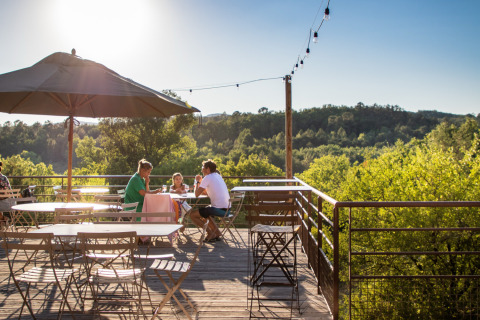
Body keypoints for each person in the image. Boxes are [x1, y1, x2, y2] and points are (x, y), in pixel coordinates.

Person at [190, 159, 230, 242]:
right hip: (227, 209)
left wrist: (197, 182)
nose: (202, 169)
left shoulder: (207, 177)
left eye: (203, 167)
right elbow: (206, 193)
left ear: (207, 169)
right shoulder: (217, 176)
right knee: (206, 211)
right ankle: (217, 233)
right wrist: (201, 182)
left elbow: (196, 194)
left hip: (219, 210)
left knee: (192, 215)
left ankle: (210, 233)